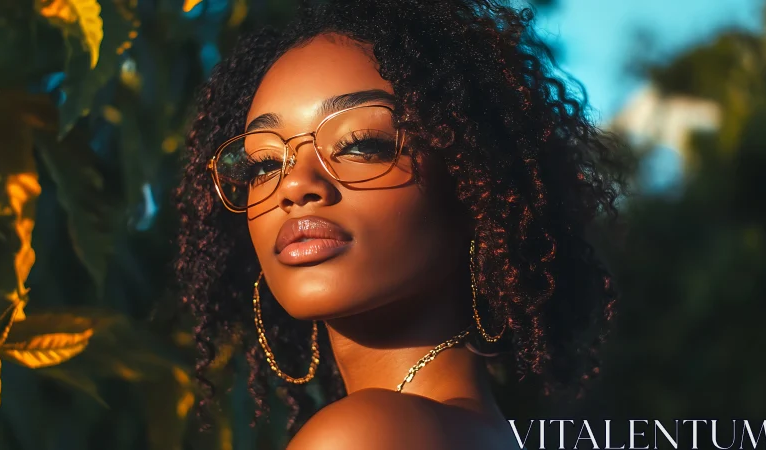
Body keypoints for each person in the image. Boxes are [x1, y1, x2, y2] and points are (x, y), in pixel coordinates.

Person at [175, 0, 625, 448]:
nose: (295, 185)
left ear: (477, 186)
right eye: (264, 164)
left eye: (360, 144)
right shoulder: (478, 432)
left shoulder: (362, 434)